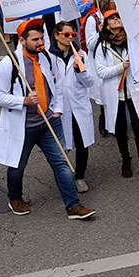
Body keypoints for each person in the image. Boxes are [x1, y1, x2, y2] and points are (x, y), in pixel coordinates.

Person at [0, 19, 96, 220]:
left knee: (61, 163)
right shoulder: (8, 64)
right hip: (23, 126)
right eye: (35, 39)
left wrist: (56, 109)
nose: (40, 43)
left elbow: (56, 86)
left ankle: (73, 205)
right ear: (22, 41)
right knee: (17, 165)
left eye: (41, 38)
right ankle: (15, 198)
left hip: (48, 122)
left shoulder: (48, 58)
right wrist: (22, 100)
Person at [91, 10, 139, 179]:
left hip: (134, 92)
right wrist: (121, 67)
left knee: (138, 127)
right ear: (106, 25)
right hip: (115, 94)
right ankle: (126, 159)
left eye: (118, 16)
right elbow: (101, 72)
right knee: (120, 130)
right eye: (112, 18)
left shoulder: (132, 41)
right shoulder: (102, 47)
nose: (116, 19)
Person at [49, 21, 96, 194]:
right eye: (66, 34)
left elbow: (90, 81)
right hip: (59, 107)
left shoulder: (81, 55)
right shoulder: (48, 57)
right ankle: (65, 175)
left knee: (82, 143)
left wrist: (79, 70)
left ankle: (80, 176)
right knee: (62, 145)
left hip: (79, 106)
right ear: (57, 35)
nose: (70, 38)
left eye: (73, 35)